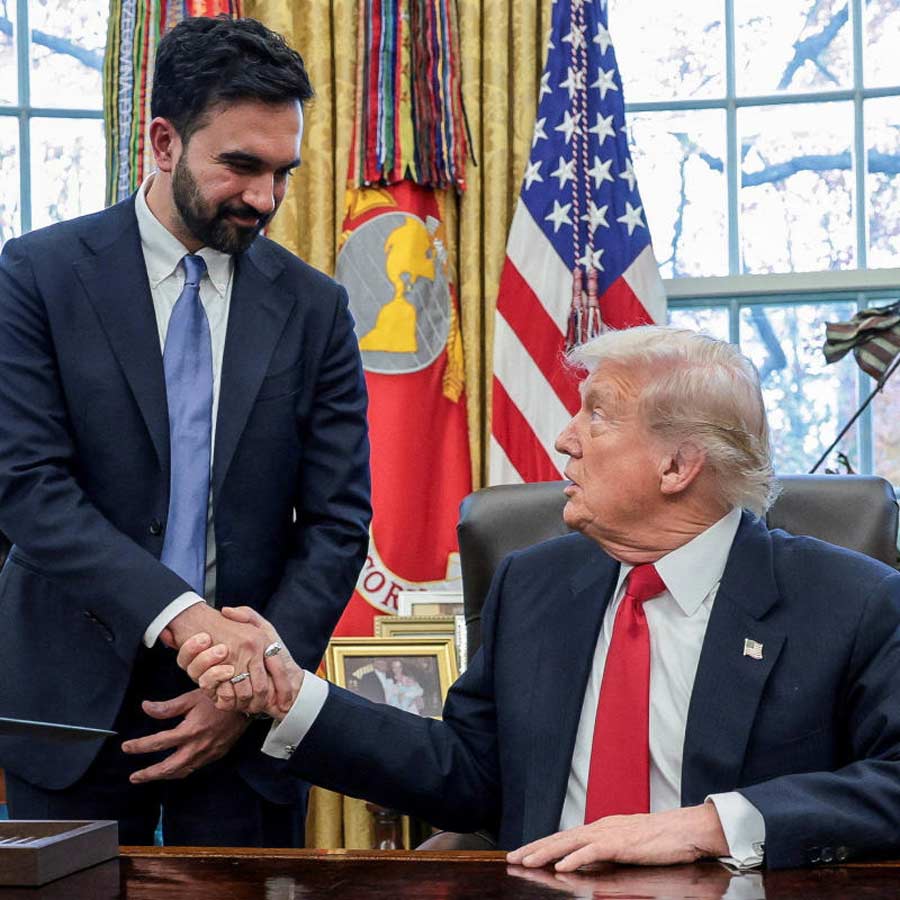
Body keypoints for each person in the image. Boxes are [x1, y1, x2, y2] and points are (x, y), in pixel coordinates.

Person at [180, 326, 900, 870]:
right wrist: (290, 698)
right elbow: (467, 776)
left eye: (597, 415)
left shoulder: (852, 602)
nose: (565, 439)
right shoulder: (536, 584)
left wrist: (706, 825)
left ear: (678, 464)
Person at [0, 16, 371, 847]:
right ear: (164, 142)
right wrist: (185, 620)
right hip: (67, 703)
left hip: (251, 712)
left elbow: (339, 523)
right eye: (241, 166)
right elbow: (26, 488)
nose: (265, 199)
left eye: (283, 172)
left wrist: (248, 678)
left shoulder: (317, 309)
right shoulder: (35, 276)